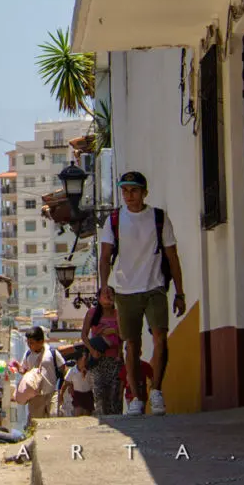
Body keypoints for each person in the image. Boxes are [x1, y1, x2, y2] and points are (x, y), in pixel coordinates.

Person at [97, 171, 186, 417]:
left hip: (154, 286)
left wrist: (180, 292)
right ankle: (136, 396)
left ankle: (156, 390)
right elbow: (105, 256)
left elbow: (172, 256)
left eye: (134, 190)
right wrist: (104, 286)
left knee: (160, 337)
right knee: (131, 346)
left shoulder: (158, 218)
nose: (129, 196)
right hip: (125, 291)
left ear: (144, 192)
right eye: (125, 190)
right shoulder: (114, 220)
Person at [82, 286, 124, 416]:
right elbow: (84, 335)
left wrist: (113, 332)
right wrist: (92, 351)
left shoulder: (118, 314)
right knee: (100, 394)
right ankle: (103, 421)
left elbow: (122, 337)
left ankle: (117, 424)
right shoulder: (92, 313)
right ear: (99, 298)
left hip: (114, 360)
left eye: (111, 294)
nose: (109, 296)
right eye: (105, 294)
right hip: (98, 359)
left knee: (115, 396)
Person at [18, 326, 66, 425]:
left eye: (32, 342)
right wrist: (18, 368)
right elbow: (24, 370)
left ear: (41, 341)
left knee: (54, 419)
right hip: (35, 396)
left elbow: (63, 369)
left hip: (52, 393)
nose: (29, 345)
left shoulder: (52, 353)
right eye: (28, 342)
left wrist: (63, 389)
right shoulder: (27, 355)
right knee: (36, 423)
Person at [60, 349, 95, 417]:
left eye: (86, 359)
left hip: (88, 394)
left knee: (87, 414)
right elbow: (66, 383)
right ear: (78, 361)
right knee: (77, 412)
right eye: (83, 359)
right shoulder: (72, 371)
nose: (85, 362)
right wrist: (61, 394)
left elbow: (93, 382)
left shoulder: (90, 370)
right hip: (78, 394)